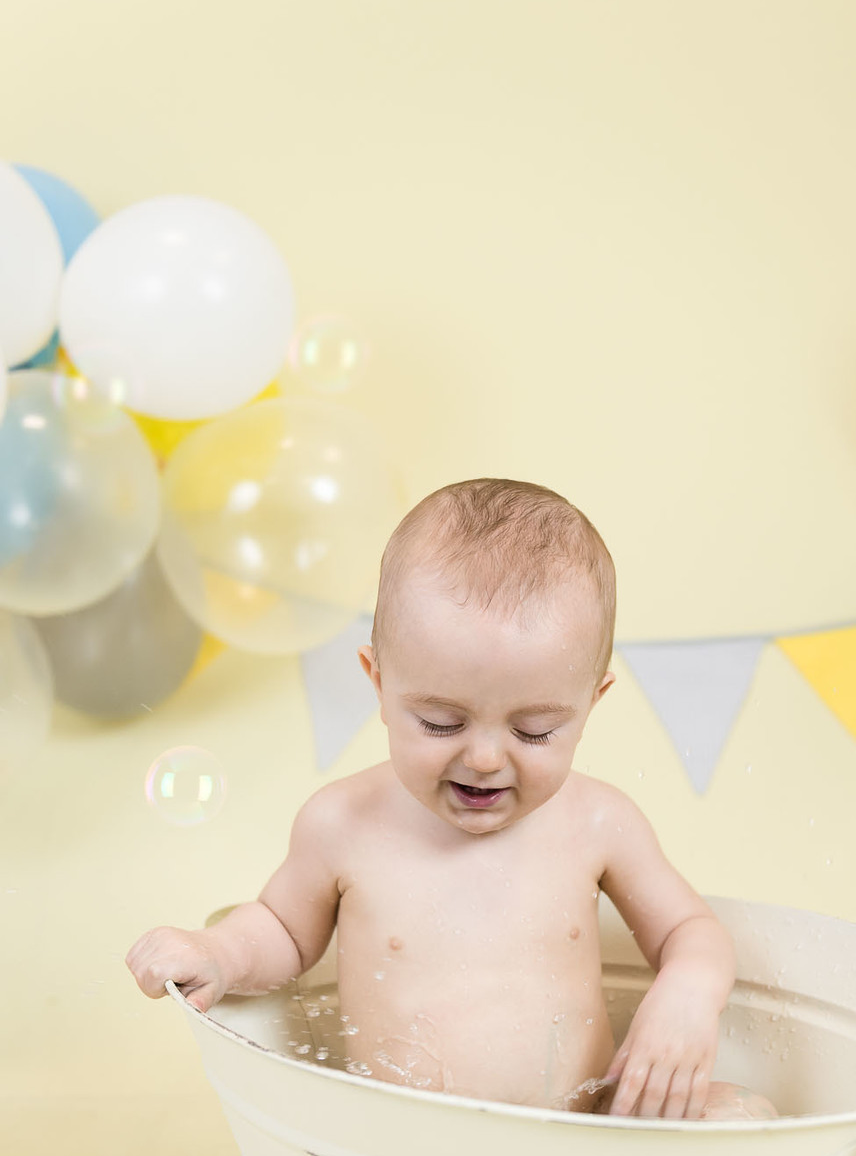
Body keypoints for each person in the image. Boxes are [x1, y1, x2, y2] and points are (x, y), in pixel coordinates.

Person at [126, 478, 778, 1123]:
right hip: (409, 1144)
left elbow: (692, 932)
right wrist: (217, 953)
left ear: (591, 702)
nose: (486, 758)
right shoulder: (342, 824)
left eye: (534, 730)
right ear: (379, 683)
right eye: (441, 722)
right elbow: (282, 932)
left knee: (742, 1114)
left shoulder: (600, 823)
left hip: (586, 1130)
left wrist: (688, 994)